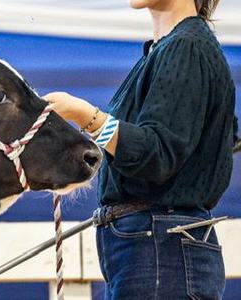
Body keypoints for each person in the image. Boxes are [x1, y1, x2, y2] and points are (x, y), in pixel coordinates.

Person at [44, 0, 237, 299]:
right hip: (152, 246)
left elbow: (156, 154)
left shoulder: (186, 47)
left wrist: (87, 117)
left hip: (160, 246)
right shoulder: (173, 49)